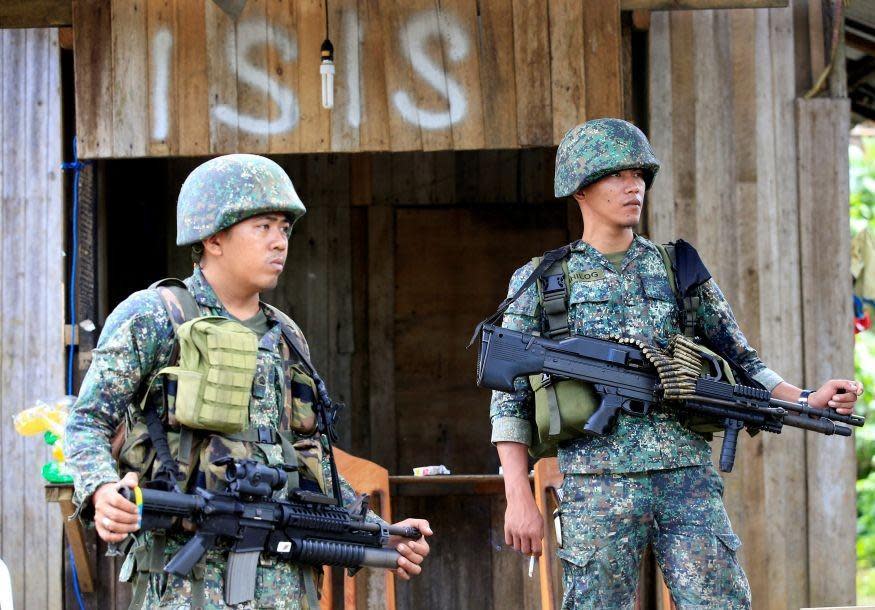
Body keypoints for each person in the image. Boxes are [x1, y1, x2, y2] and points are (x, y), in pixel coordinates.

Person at [489, 118, 861, 609]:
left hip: (686, 479)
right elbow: (507, 396)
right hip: (597, 485)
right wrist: (519, 494)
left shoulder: (676, 266)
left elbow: (742, 359)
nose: (633, 186)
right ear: (579, 188)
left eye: (639, 175)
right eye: (616, 175)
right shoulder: (542, 279)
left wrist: (808, 399)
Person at [65, 154, 432, 609]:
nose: (280, 242)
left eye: (285, 229)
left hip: (284, 582)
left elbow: (307, 457)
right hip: (187, 582)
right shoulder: (157, 316)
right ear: (214, 237)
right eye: (263, 227)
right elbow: (85, 422)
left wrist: (377, 533)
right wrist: (102, 490)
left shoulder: (287, 336)